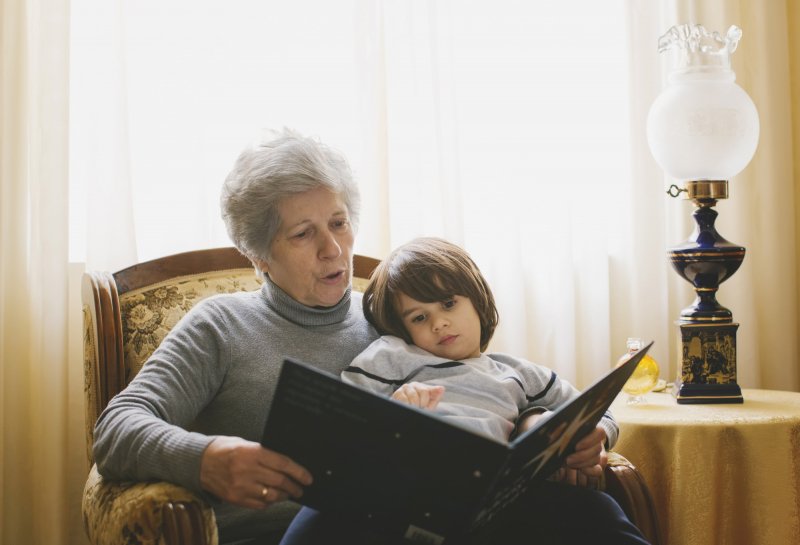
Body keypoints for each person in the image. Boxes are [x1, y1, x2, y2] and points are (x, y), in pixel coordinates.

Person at [92, 129, 380, 544]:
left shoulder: (388, 313)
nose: (333, 248)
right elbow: (115, 429)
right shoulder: (222, 325)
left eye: (339, 223)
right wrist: (205, 460)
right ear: (259, 255)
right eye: (303, 233)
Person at [279, 237, 650, 545]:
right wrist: (391, 414)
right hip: (401, 496)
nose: (440, 322)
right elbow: (343, 422)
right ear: (403, 329)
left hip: (495, 503)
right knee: (325, 518)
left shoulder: (517, 372)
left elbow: (597, 410)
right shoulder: (390, 356)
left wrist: (593, 440)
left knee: (594, 509)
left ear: (476, 298)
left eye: (448, 303)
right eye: (419, 318)